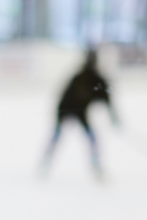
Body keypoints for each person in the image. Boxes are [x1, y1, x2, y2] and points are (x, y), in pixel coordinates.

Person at [41, 48, 120, 179]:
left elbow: (106, 99)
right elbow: (107, 100)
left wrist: (113, 117)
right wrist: (114, 118)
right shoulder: (93, 78)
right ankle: (96, 167)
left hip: (72, 110)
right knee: (68, 137)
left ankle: (46, 162)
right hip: (70, 109)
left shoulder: (85, 77)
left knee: (60, 137)